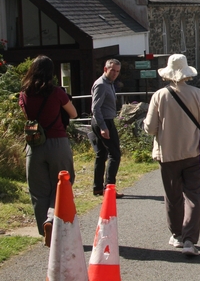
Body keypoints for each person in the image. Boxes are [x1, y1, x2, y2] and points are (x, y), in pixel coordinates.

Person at [143, 54, 200, 256]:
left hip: (168, 154)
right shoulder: (198, 94)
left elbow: (150, 128)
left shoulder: (159, 96)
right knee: (194, 196)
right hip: (193, 152)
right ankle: (190, 240)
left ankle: (177, 235)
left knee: (173, 197)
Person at [19, 55, 77, 247]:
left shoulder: (25, 94)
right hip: (58, 142)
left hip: (35, 144)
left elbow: (28, 116)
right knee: (62, 184)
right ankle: (52, 220)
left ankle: (44, 228)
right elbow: (73, 113)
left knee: (38, 190)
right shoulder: (57, 93)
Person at [91, 59, 123, 198]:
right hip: (103, 121)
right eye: (112, 70)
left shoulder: (109, 83)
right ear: (105, 69)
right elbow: (95, 108)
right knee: (115, 155)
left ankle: (98, 188)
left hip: (104, 120)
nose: (115, 73)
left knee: (101, 154)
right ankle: (109, 188)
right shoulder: (102, 85)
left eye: (117, 71)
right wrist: (103, 127)